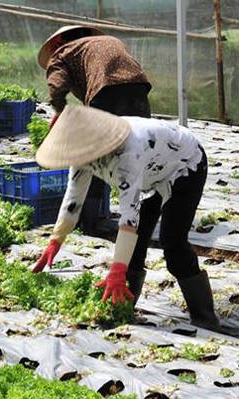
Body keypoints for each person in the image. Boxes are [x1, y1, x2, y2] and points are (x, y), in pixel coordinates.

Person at [31, 105, 224, 334]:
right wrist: (56, 239)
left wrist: (117, 271)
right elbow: (74, 198)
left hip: (185, 165)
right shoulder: (81, 151)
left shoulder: (127, 153)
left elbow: (128, 219)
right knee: (134, 247)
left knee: (172, 242)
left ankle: (205, 317)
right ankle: (122, 306)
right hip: (153, 172)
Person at [37, 25, 152, 240]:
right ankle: (146, 216)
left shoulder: (62, 53)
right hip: (139, 88)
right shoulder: (109, 41)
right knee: (140, 151)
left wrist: (62, 112)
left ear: (58, 42)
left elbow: (56, 88)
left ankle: (91, 222)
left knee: (95, 157)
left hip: (105, 93)